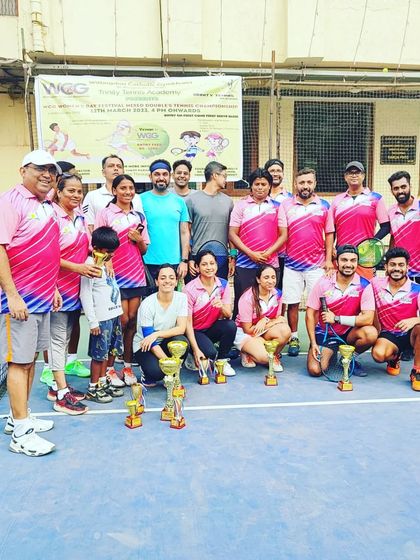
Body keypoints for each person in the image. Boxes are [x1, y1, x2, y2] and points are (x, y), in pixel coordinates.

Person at [0, 149, 62, 456]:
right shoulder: (9, 202)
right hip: (19, 300)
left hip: (42, 297)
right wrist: (12, 294)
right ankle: (21, 434)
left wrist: (53, 287)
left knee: (31, 359)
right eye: (40, 168)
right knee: (18, 362)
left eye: (51, 170)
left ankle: (19, 416)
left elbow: (47, 250)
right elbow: (0, 248)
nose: (47, 175)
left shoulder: (47, 204)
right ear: (23, 170)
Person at [48, 174, 97, 415]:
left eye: (79, 191)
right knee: (57, 340)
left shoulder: (80, 216)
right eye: (71, 191)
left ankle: (57, 386)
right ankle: (61, 394)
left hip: (75, 288)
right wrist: (78, 268)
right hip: (55, 287)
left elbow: (85, 247)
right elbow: (47, 255)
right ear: (58, 192)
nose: (76, 195)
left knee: (65, 338)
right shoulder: (51, 217)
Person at [95, 174, 150, 386]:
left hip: (135, 274)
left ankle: (127, 366)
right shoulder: (105, 213)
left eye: (131, 188)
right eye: (123, 188)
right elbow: (96, 244)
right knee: (120, 321)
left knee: (132, 321)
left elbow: (143, 250)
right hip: (113, 276)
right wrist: (107, 261)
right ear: (114, 190)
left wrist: (138, 240)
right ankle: (109, 368)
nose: (128, 192)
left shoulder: (139, 216)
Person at [278, 167, 334, 357]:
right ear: (295, 184)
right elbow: (282, 233)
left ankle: (315, 338)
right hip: (292, 265)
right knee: (292, 303)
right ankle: (294, 337)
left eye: (309, 182)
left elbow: (329, 233)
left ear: (315, 184)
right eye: (301, 182)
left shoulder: (324, 205)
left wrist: (328, 259)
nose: (305, 186)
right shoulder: (286, 205)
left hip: (316, 265)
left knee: (317, 304)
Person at [305, 244, 377, 377]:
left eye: (353, 260)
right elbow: (310, 313)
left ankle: (349, 358)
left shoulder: (364, 285)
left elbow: (368, 319)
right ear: (337, 262)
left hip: (349, 333)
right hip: (326, 332)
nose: (348, 264)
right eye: (344, 260)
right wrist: (314, 343)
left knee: (370, 333)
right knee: (315, 370)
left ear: (357, 263)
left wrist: (336, 318)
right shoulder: (323, 282)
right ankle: (330, 352)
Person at [229, 168, 287, 316]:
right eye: (257, 184)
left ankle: (270, 328)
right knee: (242, 302)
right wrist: (250, 254)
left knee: (269, 303)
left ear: (269, 186)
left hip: (270, 263)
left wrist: (268, 253)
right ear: (251, 186)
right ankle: (240, 329)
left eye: (263, 184)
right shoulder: (241, 205)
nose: (260, 187)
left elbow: (283, 235)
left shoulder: (278, 206)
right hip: (245, 264)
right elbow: (232, 234)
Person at [80, 226, 124, 403]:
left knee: (110, 352)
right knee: (99, 355)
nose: (112, 255)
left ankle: (103, 382)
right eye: (108, 251)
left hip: (114, 315)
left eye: (113, 251)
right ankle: (93, 388)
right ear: (96, 248)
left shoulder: (106, 263)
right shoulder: (90, 265)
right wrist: (93, 322)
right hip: (101, 319)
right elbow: (85, 294)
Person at [368, 247, 420, 390]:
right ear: (386, 267)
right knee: (378, 355)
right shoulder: (375, 284)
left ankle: (417, 371)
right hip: (389, 335)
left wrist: (415, 320)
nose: (397, 268)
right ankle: (395, 357)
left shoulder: (417, 289)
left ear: (407, 267)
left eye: (401, 265)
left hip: (411, 335)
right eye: (392, 264)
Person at [327, 161, 390, 277]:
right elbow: (332, 229)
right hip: (343, 254)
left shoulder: (375, 198)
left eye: (357, 172)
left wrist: (370, 244)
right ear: (345, 177)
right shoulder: (337, 200)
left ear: (363, 176)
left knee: (365, 286)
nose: (354, 175)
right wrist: (331, 250)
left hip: (366, 255)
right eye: (350, 172)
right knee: (342, 286)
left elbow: (386, 227)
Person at [133, 264, 189, 386]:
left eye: (171, 278)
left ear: (176, 281)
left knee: (182, 341)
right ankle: (148, 372)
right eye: (163, 278)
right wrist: (169, 365)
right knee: (157, 373)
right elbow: (150, 340)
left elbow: (181, 328)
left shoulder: (182, 298)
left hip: (164, 340)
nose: (167, 281)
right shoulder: (147, 304)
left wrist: (157, 334)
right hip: (146, 345)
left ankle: (171, 374)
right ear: (157, 282)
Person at [184, 250, 237, 376]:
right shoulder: (189, 289)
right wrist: (196, 350)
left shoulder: (223, 284)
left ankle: (222, 361)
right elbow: (187, 324)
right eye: (204, 264)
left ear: (217, 265)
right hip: (194, 331)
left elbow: (228, 314)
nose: (209, 267)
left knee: (230, 326)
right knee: (210, 353)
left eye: (212, 263)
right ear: (197, 267)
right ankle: (191, 352)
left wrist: (222, 306)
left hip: (210, 328)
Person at [140, 159, 190, 280]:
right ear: (150, 177)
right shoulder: (139, 200)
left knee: (172, 292)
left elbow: (184, 232)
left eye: (165, 174)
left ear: (170, 176)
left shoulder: (179, 202)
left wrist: (184, 260)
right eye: (157, 174)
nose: (161, 178)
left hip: (174, 262)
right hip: (146, 261)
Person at [234, 265, 291, 370]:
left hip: (263, 329)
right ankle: (246, 353)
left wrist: (265, 321)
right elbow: (247, 330)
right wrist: (270, 322)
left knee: (285, 331)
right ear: (258, 280)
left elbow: (278, 318)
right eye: (266, 277)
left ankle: (272, 355)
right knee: (264, 357)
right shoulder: (247, 298)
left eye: (273, 277)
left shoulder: (278, 294)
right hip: (246, 332)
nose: (271, 281)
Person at [186, 161, 234, 281]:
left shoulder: (228, 201)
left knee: (220, 290)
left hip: (221, 256)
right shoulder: (192, 200)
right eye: (224, 176)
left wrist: (232, 257)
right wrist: (189, 258)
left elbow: (231, 233)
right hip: (198, 256)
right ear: (215, 175)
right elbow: (186, 232)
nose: (226, 180)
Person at [82, 154, 143, 231]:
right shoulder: (92, 196)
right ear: (103, 172)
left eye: (119, 166)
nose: (116, 168)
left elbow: (141, 224)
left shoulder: (135, 197)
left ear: (123, 171)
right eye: (111, 166)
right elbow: (89, 225)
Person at [264, 158, 292, 290]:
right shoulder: (259, 196)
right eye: (272, 171)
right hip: (263, 252)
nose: (275, 174)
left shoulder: (290, 199)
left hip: (284, 253)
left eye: (279, 171)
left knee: (281, 289)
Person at [387, 171, 420, 284]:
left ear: (410, 186)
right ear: (392, 191)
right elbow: (393, 239)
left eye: (403, 187)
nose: (400, 191)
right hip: (401, 272)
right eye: (396, 188)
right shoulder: (391, 211)